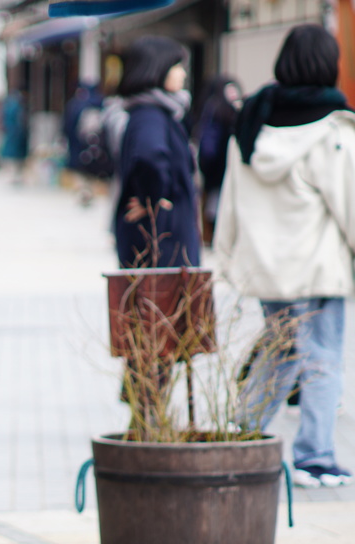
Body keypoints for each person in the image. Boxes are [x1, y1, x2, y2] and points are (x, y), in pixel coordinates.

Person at [214, 23, 354, 488]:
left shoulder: (251, 122)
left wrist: (227, 255)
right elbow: (350, 204)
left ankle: (243, 427)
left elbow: (230, 196)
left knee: (282, 350)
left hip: (266, 268)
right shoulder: (332, 128)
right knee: (321, 358)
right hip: (315, 269)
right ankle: (315, 458)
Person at [114, 36, 200, 268]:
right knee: (164, 301)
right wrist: (152, 199)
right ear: (157, 68)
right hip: (162, 238)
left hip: (162, 235)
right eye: (178, 67)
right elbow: (149, 155)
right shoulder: (150, 114)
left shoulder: (152, 111)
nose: (183, 74)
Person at [193, 75, 243, 245]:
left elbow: (208, 146)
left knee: (216, 205)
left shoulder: (212, 109)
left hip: (217, 170)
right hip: (224, 168)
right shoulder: (222, 110)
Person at [0, 90, 29, 184]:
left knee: (12, 156)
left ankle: (14, 176)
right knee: (15, 157)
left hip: (11, 134)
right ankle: (15, 176)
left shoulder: (8, 105)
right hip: (16, 135)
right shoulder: (17, 107)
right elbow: (20, 121)